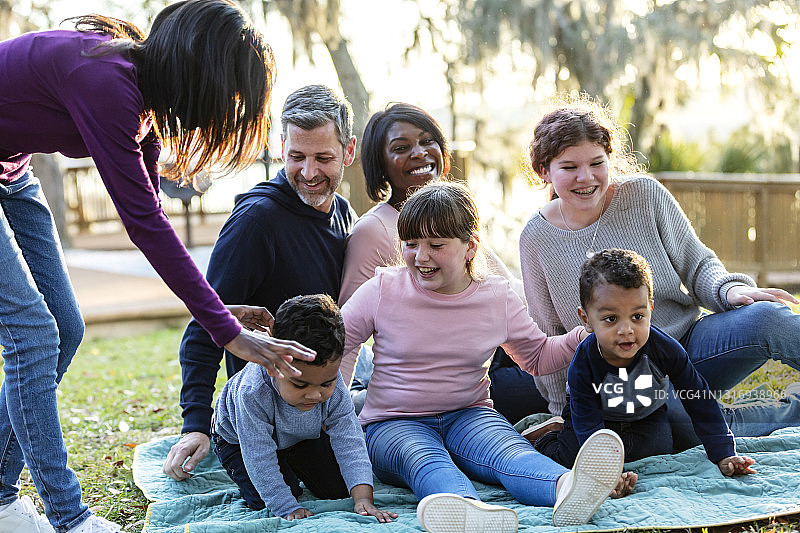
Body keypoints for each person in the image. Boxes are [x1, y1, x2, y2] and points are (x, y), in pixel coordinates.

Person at [0, 2, 317, 532]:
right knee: (33, 333)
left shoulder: (141, 105)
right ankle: (70, 519)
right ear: (201, 75)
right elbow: (143, 223)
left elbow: (153, 224)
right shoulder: (105, 81)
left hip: (11, 174)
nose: (227, 110)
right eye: (229, 95)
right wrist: (228, 332)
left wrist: (217, 312)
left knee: (65, 328)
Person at [340, 182, 635, 530]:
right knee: (425, 459)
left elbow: (536, 357)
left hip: (469, 415)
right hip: (392, 423)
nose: (420, 257)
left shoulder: (497, 297)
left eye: (436, 245)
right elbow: (340, 344)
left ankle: (570, 487)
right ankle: (466, 510)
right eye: (410, 244)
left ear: (470, 247)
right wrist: (338, 412)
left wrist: (580, 337)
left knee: (510, 452)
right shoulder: (381, 289)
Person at [519, 95, 800, 450]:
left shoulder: (646, 195)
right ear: (544, 171)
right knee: (684, 423)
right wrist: (565, 411)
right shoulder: (536, 238)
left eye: (596, 162)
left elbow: (697, 264)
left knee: (767, 318)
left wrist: (729, 291)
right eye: (569, 167)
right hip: (623, 374)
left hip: (687, 345)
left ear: (610, 160)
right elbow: (551, 334)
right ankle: (792, 414)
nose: (585, 177)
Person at [162, 84, 358, 481]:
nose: (309, 173)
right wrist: (195, 423)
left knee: (356, 477)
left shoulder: (344, 214)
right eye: (296, 157)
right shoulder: (256, 222)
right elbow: (206, 321)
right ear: (280, 145)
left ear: (349, 152)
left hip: (320, 397)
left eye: (324, 158)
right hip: (265, 409)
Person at [339, 102, 547, 423]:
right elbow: (350, 329)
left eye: (427, 141)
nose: (420, 153)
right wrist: (343, 413)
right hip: (467, 374)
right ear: (380, 164)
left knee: (584, 371)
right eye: (401, 147)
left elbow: (506, 287)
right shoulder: (374, 229)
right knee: (578, 386)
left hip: (510, 345)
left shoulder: (452, 214)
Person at [535, 249, 757, 479]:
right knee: (572, 459)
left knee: (657, 449)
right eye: (611, 319)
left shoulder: (665, 349)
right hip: (593, 417)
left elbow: (699, 398)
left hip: (645, 415)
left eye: (637, 316)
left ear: (650, 308)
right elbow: (588, 425)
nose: (626, 330)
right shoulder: (584, 363)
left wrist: (724, 453)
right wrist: (608, 476)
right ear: (586, 319)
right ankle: (548, 438)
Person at [212, 294, 397, 522]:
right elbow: (258, 457)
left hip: (298, 436)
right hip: (239, 442)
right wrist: (286, 507)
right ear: (273, 365)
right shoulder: (253, 392)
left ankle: (291, 461)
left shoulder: (332, 381)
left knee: (337, 489)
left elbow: (349, 438)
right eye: (299, 384)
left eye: (326, 383)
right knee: (271, 497)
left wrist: (363, 499)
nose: (315, 394)